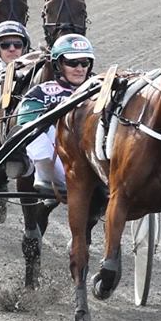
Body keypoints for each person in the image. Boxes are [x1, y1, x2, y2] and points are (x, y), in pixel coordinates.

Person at [17, 33, 94, 198]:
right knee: (36, 133)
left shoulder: (101, 89)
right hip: (56, 158)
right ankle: (54, 178)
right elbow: (24, 125)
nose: (80, 68)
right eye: (72, 63)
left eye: (84, 62)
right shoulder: (41, 93)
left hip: (91, 155)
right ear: (58, 65)